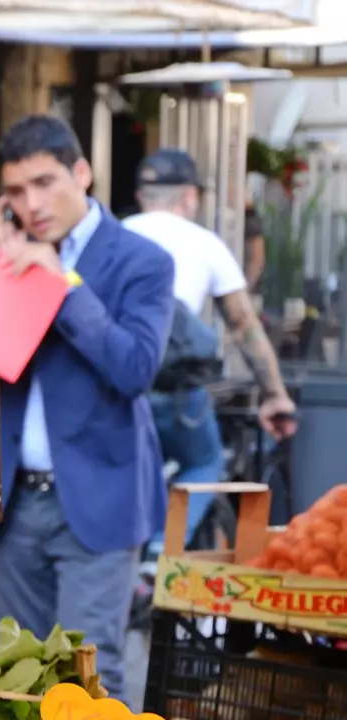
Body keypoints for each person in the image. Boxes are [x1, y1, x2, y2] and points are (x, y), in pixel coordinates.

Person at [0, 115, 174, 698]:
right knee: (15, 679)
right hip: (11, 499)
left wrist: (63, 283)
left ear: (82, 173)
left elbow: (134, 368)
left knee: (90, 677)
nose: (32, 203)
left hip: (98, 500)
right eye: (16, 191)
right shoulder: (8, 251)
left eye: (45, 183)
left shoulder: (141, 261)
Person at [123, 148, 297, 546]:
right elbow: (242, 324)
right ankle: (159, 553)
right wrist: (275, 395)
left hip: (117, 392)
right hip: (176, 394)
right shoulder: (205, 243)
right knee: (204, 461)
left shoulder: (115, 236)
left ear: (141, 195)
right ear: (190, 197)